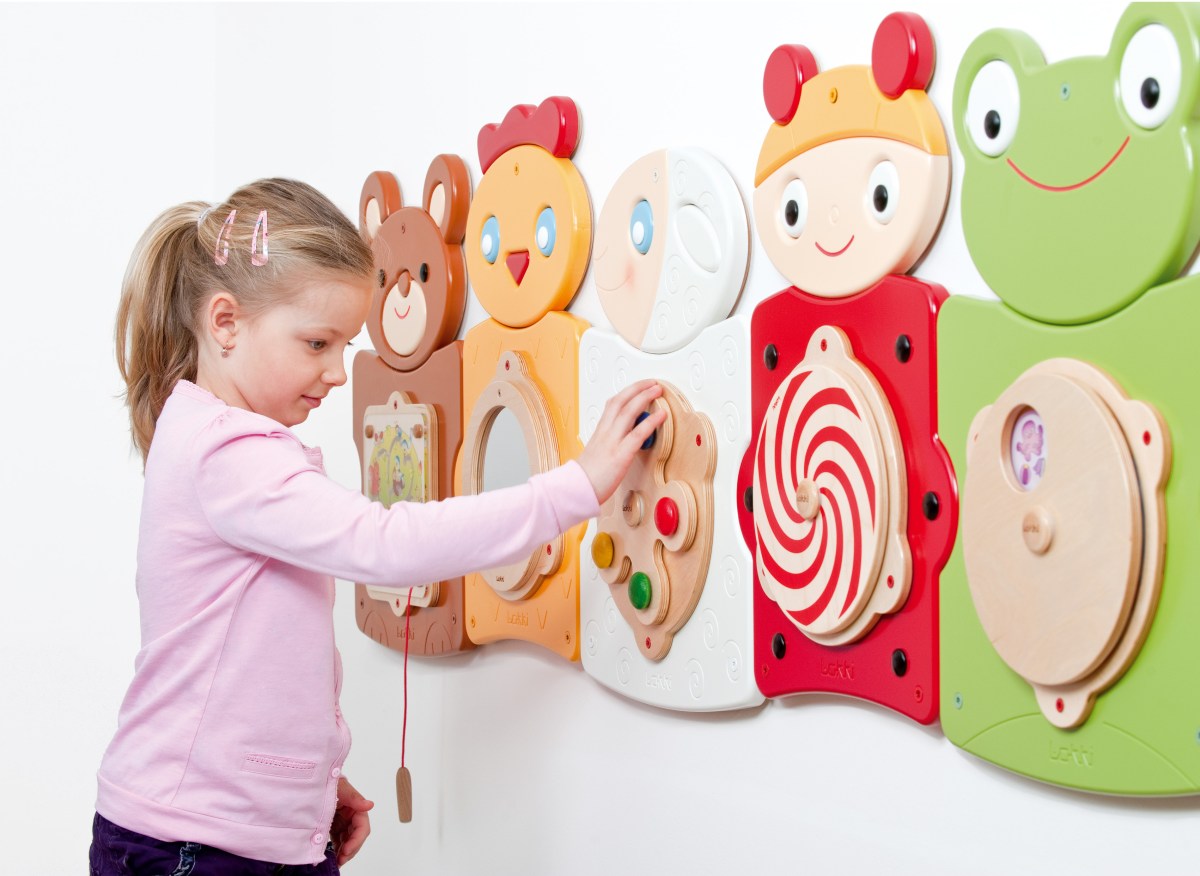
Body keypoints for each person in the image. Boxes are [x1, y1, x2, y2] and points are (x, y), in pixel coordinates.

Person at [92, 178, 667, 875]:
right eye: (317, 343)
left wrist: (305, 787)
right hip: (194, 840)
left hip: (228, 827)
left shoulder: (209, 441)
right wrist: (576, 486)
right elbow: (385, 544)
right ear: (225, 323)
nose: (338, 372)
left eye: (344, 345)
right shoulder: (227, 454)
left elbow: (245, 659)